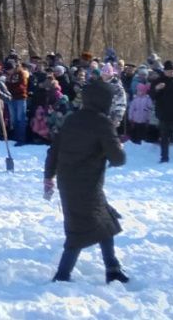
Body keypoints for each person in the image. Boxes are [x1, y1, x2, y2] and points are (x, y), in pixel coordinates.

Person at [44, 81, 128, 284]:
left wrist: (49, 176)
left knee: (104, 222)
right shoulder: (102, 122)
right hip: (88, 184)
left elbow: (54, 150)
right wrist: (116, 143)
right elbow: (118, 158)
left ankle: (112, 268)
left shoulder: (72, 119)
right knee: (79, 229)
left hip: (69, 181)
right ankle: (62, 275)